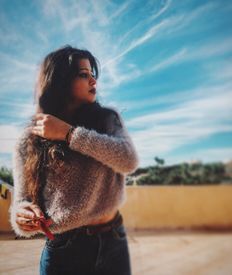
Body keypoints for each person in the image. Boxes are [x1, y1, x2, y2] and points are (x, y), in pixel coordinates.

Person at [9, 45, 139, 275]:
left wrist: (69, 134)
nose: (93, 81)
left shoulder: (107, 120)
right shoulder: (28, 140)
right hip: (64, 251)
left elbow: (128, 160)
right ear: (60, 81)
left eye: (93, 74)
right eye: (83, 74)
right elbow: (22, 201)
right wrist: (22, 216)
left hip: (112, 241)